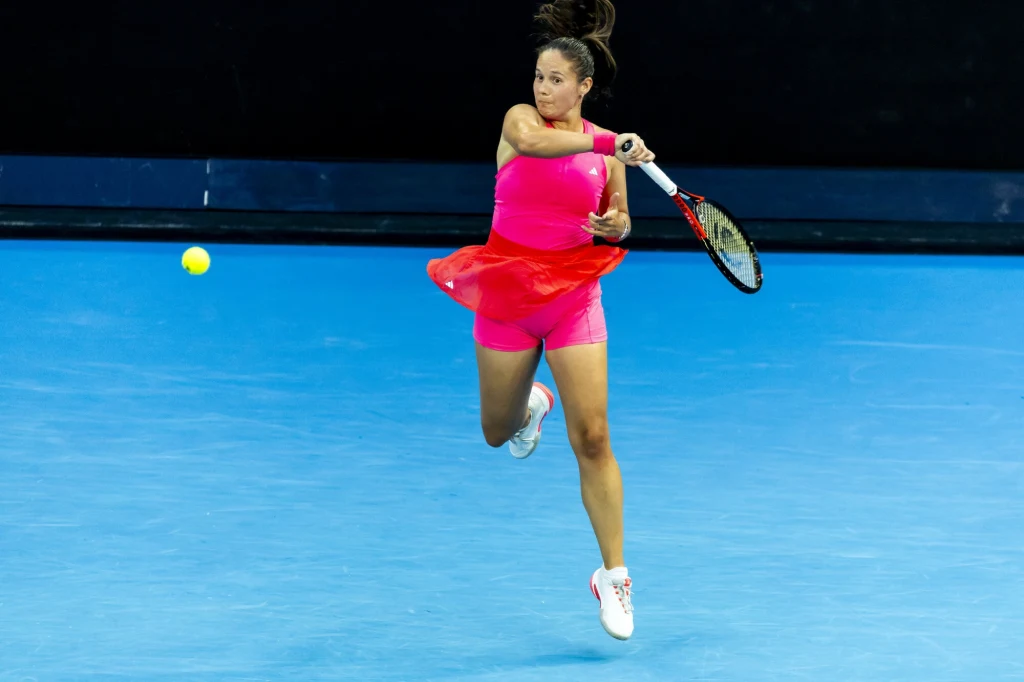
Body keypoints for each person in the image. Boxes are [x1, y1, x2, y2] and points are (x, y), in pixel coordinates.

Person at [426, 0, 654, 641]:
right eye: (538, 77)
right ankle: (529, 405)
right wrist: (611, 139)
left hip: (574, 294)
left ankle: (613, 575)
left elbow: (621, 221)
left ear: (584, 86)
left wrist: (615, 225)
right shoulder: (521, 122)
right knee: (496, 433)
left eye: (557, 80)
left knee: (594, 436)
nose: (543, 89)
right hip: (506, 291)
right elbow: (533, 143)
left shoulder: (606, 159)